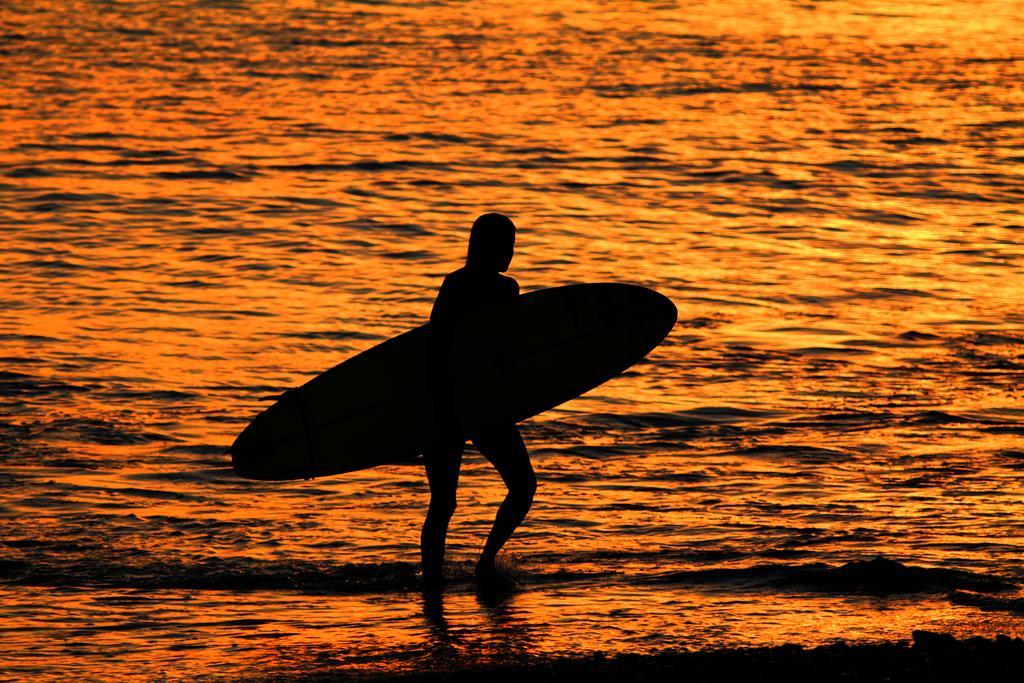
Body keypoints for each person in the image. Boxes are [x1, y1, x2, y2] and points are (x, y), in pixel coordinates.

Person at [420, 213, 537, 590]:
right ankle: (432, 584)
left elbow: (506, 350)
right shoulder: (456, 284)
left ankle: (484, 562)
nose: (510, 254)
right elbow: (436, 346)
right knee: (444, 504)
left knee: (523, 485)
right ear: (483, 247)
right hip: (447, 405)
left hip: (484, 404)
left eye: (513, 246)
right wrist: (441, 411)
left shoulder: (508, 289)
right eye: (505, 246)